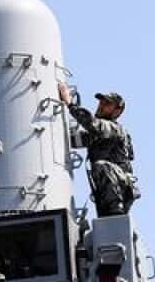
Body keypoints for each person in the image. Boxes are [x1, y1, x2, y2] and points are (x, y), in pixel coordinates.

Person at [58, 83, 139, 217]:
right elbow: (73, 140)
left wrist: (69, 103)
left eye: (107, 104)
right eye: (101, 102)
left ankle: (115, 209)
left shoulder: (114, 129)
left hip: (119, 187)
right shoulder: (99, 134)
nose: (101, 106)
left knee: (100, 166)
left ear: (117, 111)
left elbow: (92, 123)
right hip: (108, 189)